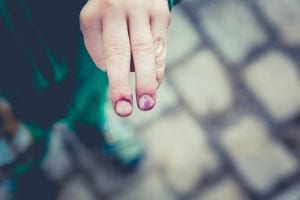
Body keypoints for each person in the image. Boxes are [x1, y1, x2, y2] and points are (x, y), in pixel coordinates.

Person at [0, 0, 181, 199]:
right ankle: (26, 175)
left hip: (83, 39)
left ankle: (92, 129)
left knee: (91, 99)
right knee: (14, 147)